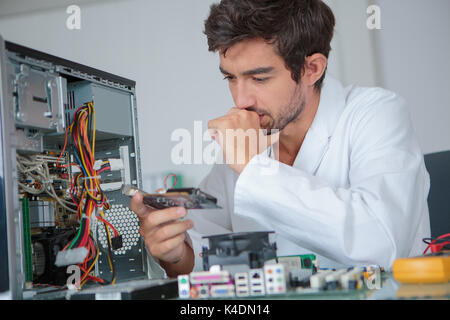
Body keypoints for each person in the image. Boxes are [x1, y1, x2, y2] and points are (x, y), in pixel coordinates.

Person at [130, 0, 430, 278]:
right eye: (230, 78)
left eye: (259, 78)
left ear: (311, 69)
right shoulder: (251, 137)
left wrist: (253, 169)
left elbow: (381, 243)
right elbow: (202, 249)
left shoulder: (377, 114)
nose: (240, 99)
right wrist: (173, 250)